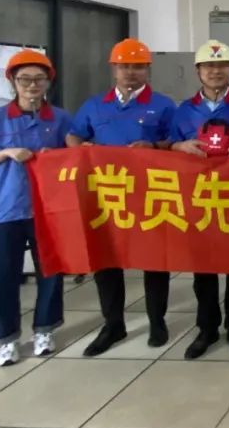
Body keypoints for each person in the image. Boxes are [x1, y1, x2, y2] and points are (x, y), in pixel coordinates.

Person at [0, 50, 71, 366]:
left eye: (39, 79)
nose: (32, 85)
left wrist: (56, 155)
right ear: (12, 81)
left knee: (50, 271)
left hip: (48, 210)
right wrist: (6, 153)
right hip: (4, 208)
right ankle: (6, 339)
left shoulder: (60, 119)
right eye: (25, 79)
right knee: (2, 276)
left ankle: (44, 330)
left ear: (48, 82)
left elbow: (78, 154)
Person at [66, 38, 176, 356]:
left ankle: (157, 321)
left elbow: (176, 142)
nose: (130, 72)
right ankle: (113, 324)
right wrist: (80, 148)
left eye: (138, 66)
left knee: (155, 260)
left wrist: (154, 147)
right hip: (107, 196)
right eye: (124, 66)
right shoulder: (95, 105)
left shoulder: (164, 105)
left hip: (150, 195)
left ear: (148, 69)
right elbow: (73, 135)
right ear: (113, 69)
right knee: (107, 260)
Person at [169, 40, 229, 359]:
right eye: (209, 66)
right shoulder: (183, 109)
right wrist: (180, 147)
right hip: (198, 199)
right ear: (198, 71)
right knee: (202, 266)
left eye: (222, 65)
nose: (215, 71)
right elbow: (167, 145)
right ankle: (207, 328)